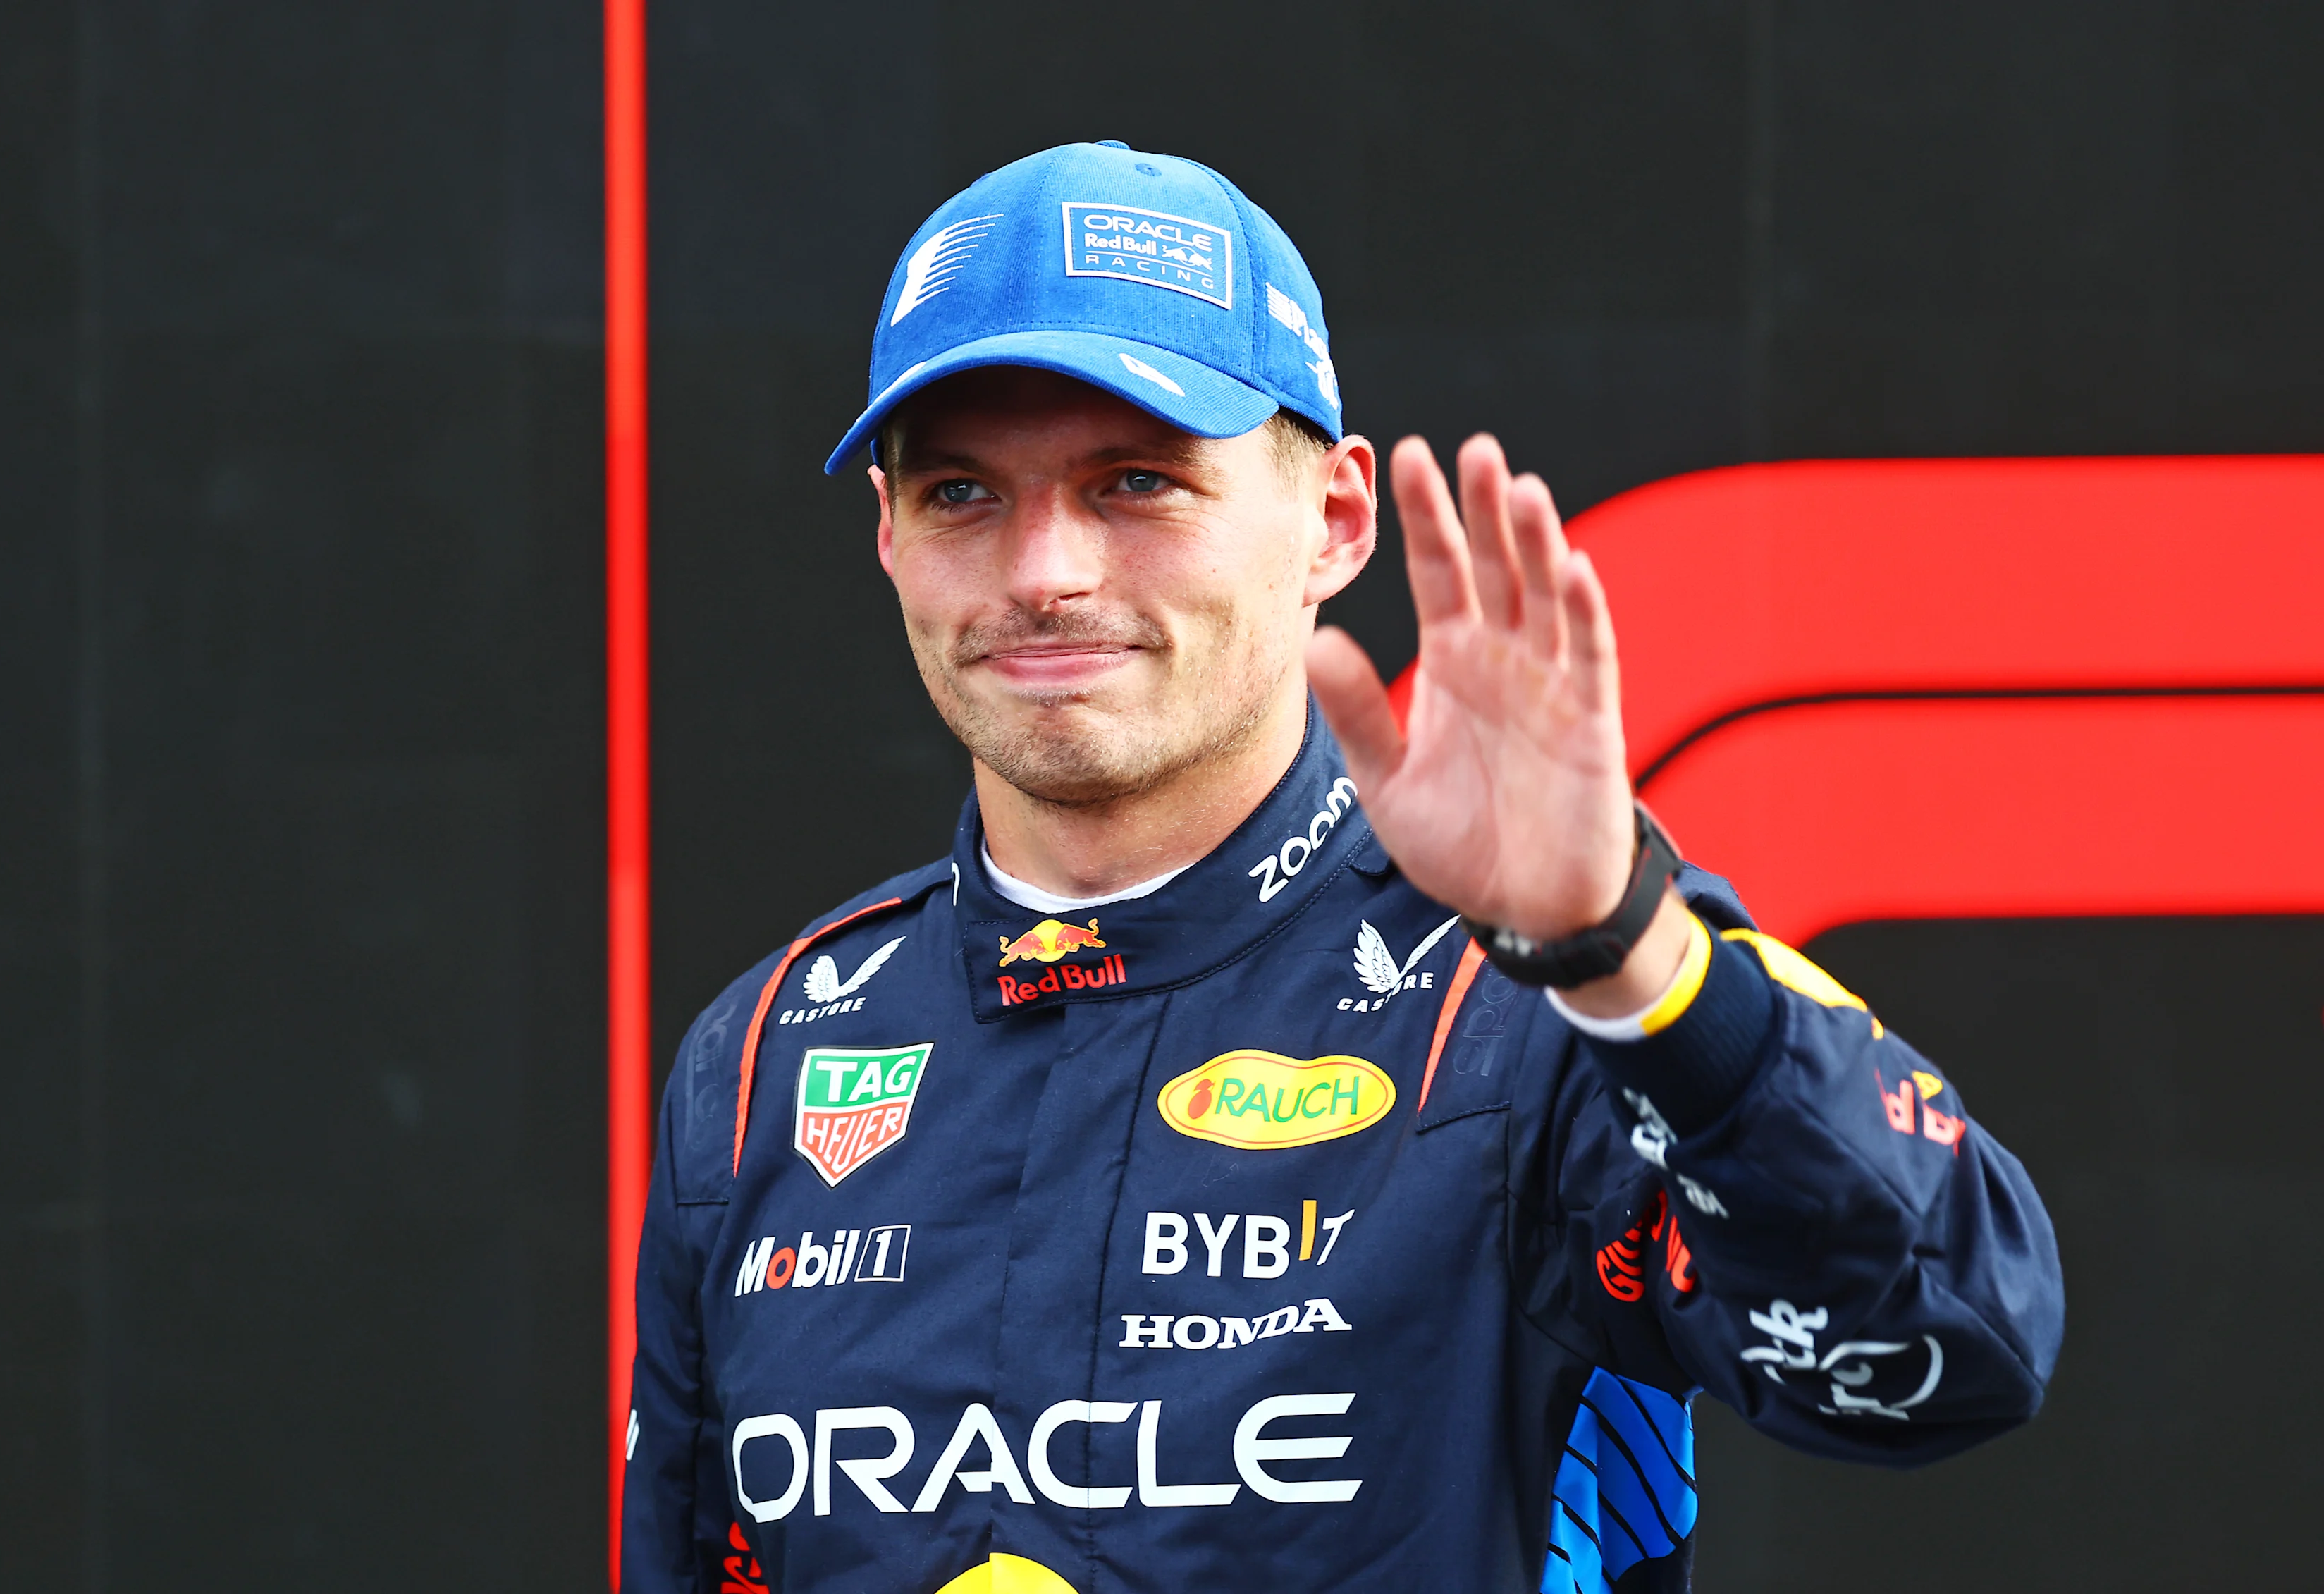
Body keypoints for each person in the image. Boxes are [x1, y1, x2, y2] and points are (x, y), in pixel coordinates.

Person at [622, 140, 2062, 1594]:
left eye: (1136, 480)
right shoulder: (765, 1056)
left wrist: (1618, 947)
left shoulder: (1537, 1002)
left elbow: (1953, 1353)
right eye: (959, 494)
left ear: (1332, 521)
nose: (1042, 569)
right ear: (886, 534)